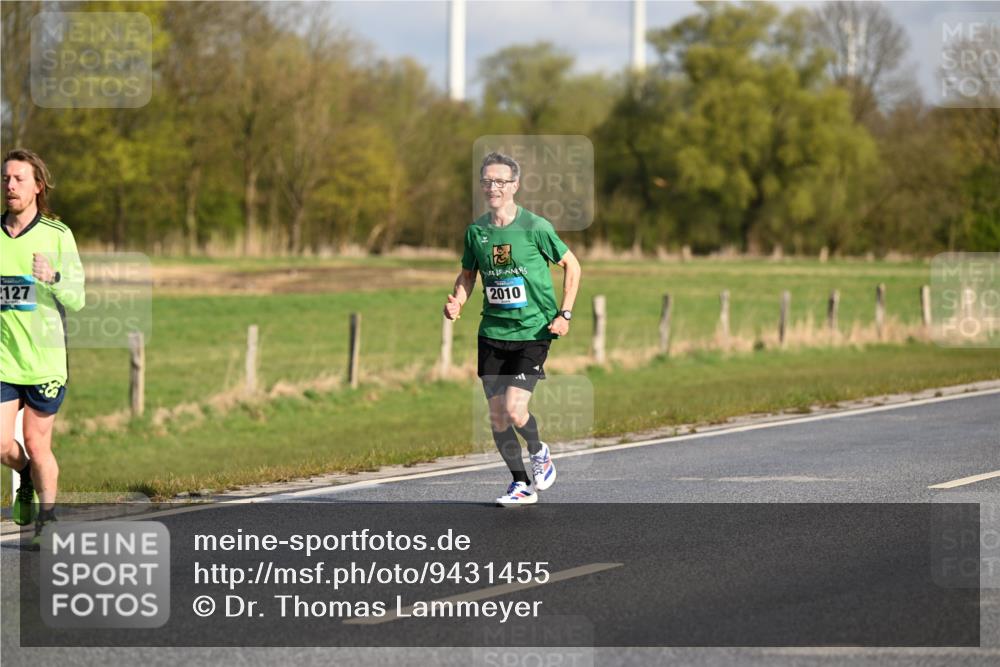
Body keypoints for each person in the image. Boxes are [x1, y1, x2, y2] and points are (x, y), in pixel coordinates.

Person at [444, 152, 581, 507]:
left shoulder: (535, 227)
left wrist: (564, 313)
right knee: (497, 416)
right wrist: (459, 301)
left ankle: (539, 451)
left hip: (533, 331)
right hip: (492, 332)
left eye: (500, 181)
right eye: (487, 181)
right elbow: (468, 274)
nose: (493, 187)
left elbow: (572, 266)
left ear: (515, 186)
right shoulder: (476, 232)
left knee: (515, 409)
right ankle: (520, 483)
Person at [1, 149, 85, 546]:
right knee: (2, 445)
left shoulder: (57, 235)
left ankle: (47, 521)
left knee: (37, 442)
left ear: (38, 186)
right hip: (3, 360)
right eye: (6, 179)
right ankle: (28, 483)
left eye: (19, 179)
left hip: (45, 362)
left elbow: (79, 299)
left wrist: (52, 276)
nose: (10, 185)